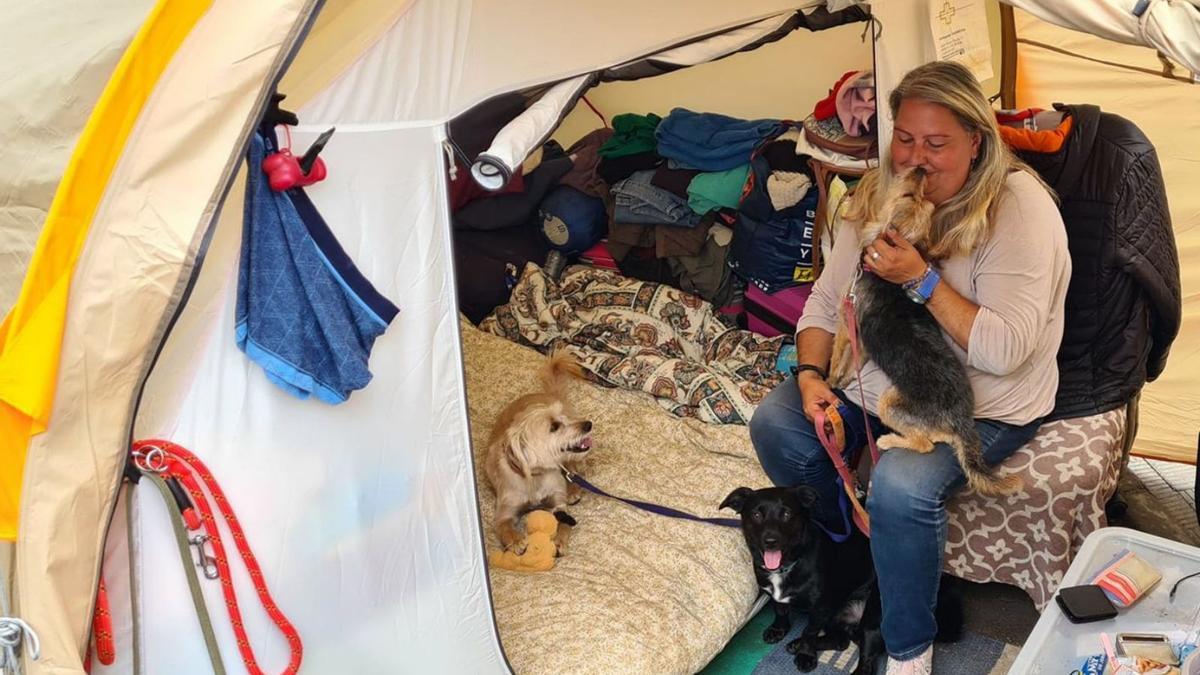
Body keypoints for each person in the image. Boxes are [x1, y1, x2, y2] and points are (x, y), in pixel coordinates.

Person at [749, 61, 1070, 674]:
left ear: (977, 140)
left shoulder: (1019, 209)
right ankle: (852, 565)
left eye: (937, 142)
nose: (916, 157)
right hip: (882, 380)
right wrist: (812, 377)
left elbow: (1004, 351)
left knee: (899, 486)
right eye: (905, 138)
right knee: (777, 423)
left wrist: (920, 278)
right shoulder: (881, 190)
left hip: (979, 399)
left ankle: (907, 649)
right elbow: (824, 299)